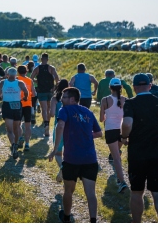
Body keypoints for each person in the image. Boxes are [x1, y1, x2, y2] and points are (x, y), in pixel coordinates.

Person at [121, 73, 158, 224]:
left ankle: (137, 222)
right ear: (150, 86)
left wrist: (124, 137)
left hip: (137, 154)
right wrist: (154, 127)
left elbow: (127, 124)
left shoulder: (130, 103)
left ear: (134, 87)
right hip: (156, 153)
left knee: (137, 192)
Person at [48, 87, 102, 223]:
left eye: (64, 97)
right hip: (90, 158)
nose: (61, 99)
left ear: (72, 99)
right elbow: (99, 133)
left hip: (72, 159)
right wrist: (85, 135)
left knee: (68, 191)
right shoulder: (88, 112)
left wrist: (55, 149)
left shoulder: (64, 110)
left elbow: (60, 126)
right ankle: (93, 220)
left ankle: (66, 217)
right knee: (90, 193)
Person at [99, 78, 130, 193]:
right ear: (121, 87)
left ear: (110, 87)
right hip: (123, 130)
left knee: (116, 157)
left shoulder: (105, 100)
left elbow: (101, 119)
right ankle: (120, 178)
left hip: (110, 130)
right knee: (117, 154)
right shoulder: (126, 100)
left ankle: (122, 182)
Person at [0, 67, 29, 157]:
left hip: (7, 105)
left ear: (7, 74)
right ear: (15, 75)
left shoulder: (3, 82)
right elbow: (26, 92)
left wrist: (1, 93)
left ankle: (13, 144)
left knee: (9, 130)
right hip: (17, 105)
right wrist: (25, 97)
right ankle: (16, 144)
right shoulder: (20, 83)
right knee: (17, 127)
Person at [33, 53, 59, 134]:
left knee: (44, 109)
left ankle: (46, 124)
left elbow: (31, 78)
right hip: (50, 91)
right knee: (48, 108)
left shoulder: (37, 68)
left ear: (41, 59)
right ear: (47, 59)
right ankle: (48, 123)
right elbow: (57, 79)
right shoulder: (51, 68)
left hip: (41, 91)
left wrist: (37, 81)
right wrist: (54, 88)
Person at [16, 65, 35, 148]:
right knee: (28, 125)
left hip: (18, 103)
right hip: (28, 104)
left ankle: (20, 138)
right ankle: (27, 144)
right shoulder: (30, 80)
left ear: (18, 72)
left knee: (18, 124)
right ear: (26, 71)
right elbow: (34, 94)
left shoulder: (16, 79)